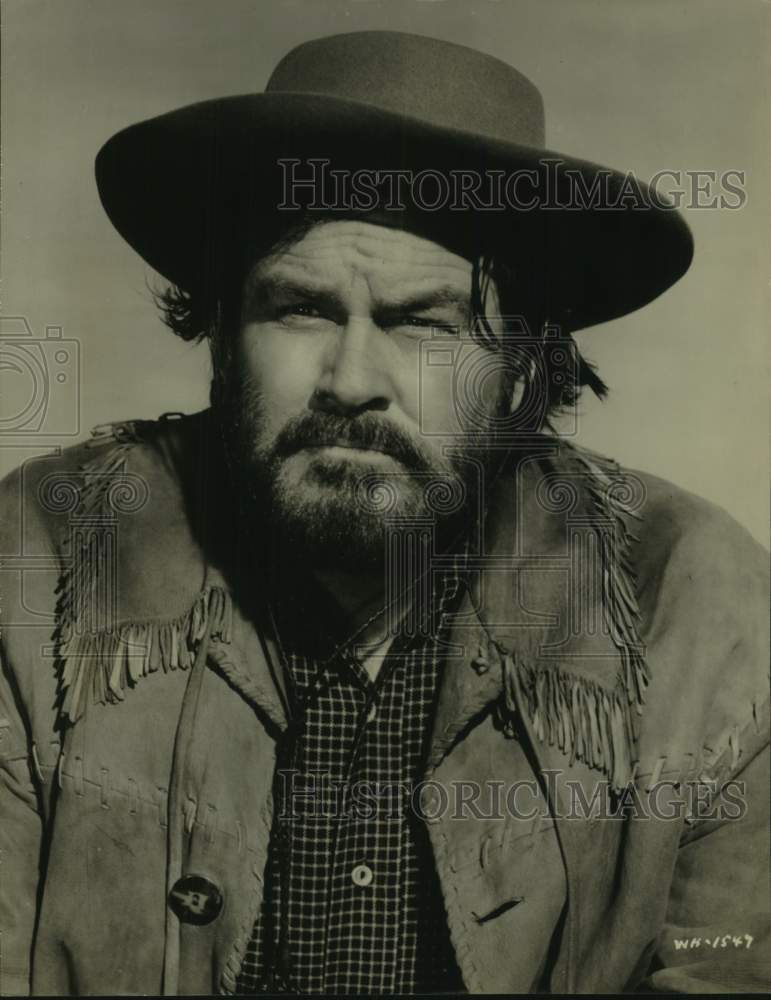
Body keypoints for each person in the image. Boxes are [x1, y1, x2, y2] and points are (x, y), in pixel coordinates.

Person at [0, 31, 767, 997]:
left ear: (525, 363)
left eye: (422, 324)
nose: (353, 381)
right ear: (224, 340)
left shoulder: (692, 600)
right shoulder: (42, 559)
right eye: (301, 309)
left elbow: (734, 969)